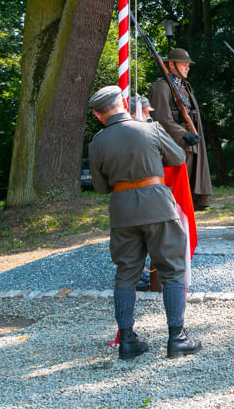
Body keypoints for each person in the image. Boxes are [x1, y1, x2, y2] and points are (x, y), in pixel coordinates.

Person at [88, 85, 202, 360]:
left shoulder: (97, 142)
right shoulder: (148, 129)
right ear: (123, 103)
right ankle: (177, 338)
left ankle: (127, 341)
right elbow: (176, 157)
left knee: (126, 274)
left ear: (97, 114)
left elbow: (102, 188)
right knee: (172, 270)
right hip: (157, 206)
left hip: (122, 212)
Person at [149, 48, 213, 210]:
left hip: (191, 140)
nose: (187, 67)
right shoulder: (162, 87)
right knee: (177, 188)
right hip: (176, 143)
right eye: (183, 64)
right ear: (171, 65)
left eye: (188, 65)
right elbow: (162, 118)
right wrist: (183, 135)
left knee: (190, 183)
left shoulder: (184, 86)